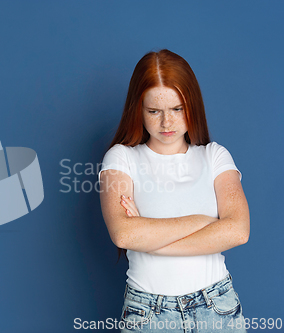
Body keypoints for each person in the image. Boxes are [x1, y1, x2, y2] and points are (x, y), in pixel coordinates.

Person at [98, 49, 250, 332]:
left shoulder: (215, 156)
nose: (166, 123)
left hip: (216, 307)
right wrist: (204, 223)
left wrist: (152, 238)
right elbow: (124, 234)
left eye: (177, 109)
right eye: (154, 111)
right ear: (138, 109)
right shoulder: (121, 159)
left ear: (192, 104)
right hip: (149, 312)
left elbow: (238, 231)